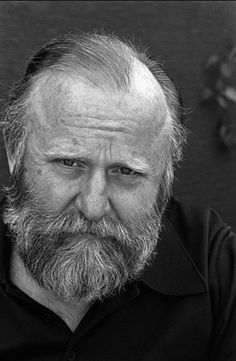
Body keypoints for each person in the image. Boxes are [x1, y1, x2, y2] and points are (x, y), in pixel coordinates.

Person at [0, 31, 235, 361]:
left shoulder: (213, 263)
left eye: (126, 172)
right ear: (14, 153)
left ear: (166, 178)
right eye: (69, 163)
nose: (93, 206)